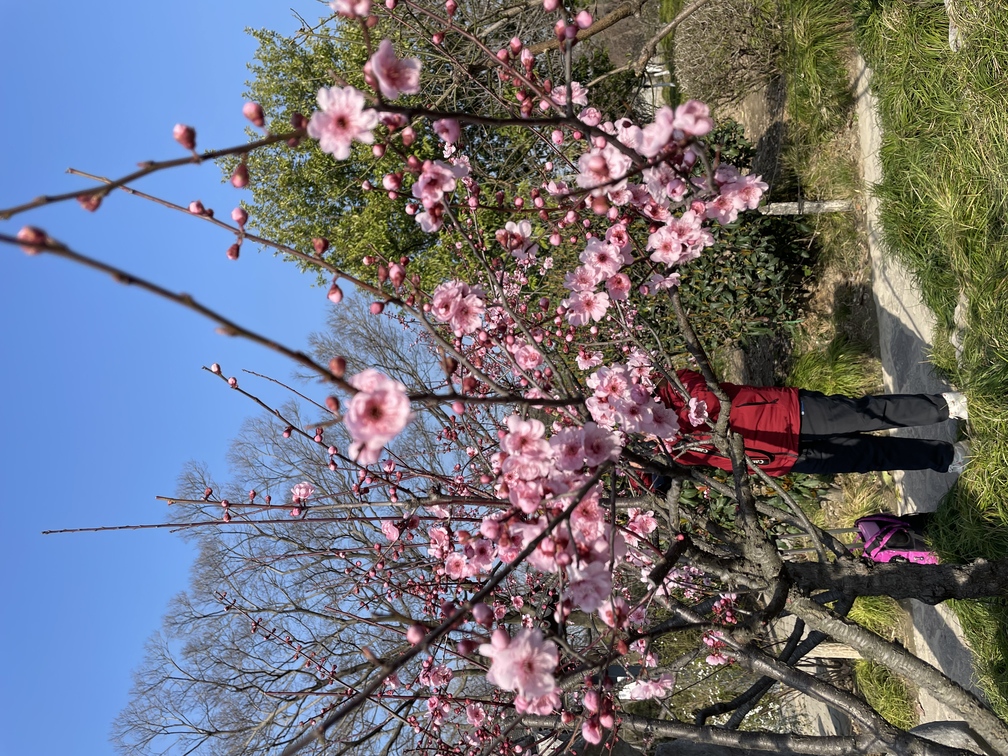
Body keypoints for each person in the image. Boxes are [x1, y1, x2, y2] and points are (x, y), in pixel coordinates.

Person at [655, 369, 969, 477]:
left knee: (868, 413)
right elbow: (649, 481)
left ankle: (948, 406)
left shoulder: (668, 387)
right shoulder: (657, 448)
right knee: (871, 456)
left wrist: (674, 422)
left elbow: (706, 397)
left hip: (786, 414)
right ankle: (950, 457)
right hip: (778, 459)